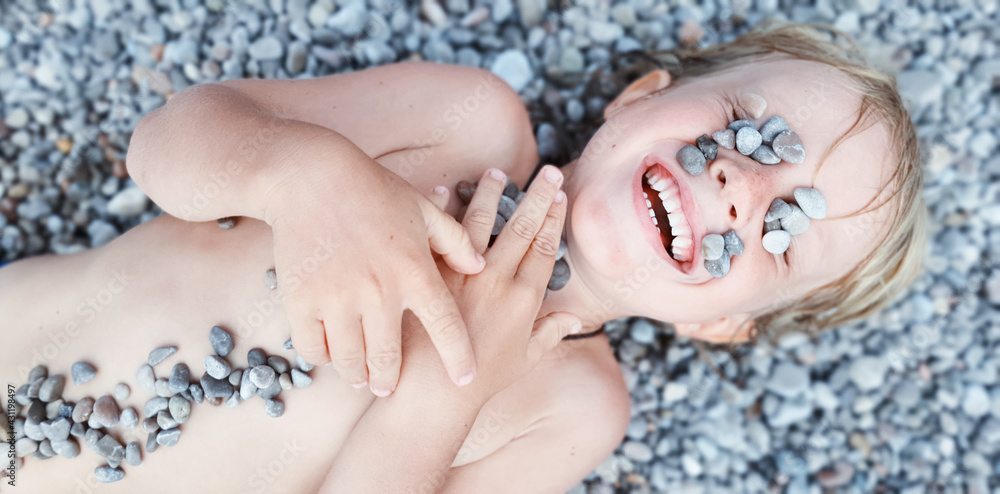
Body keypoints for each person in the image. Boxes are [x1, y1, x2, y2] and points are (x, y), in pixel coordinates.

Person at [1, 22, 925, 492]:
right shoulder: (462, 125)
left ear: (720, 325)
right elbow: (163, 145)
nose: (737, 186)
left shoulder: (574, 409)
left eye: (782, 230)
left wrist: (437, 409)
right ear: (638, 98)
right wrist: (304, 176)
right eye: (747, 131)